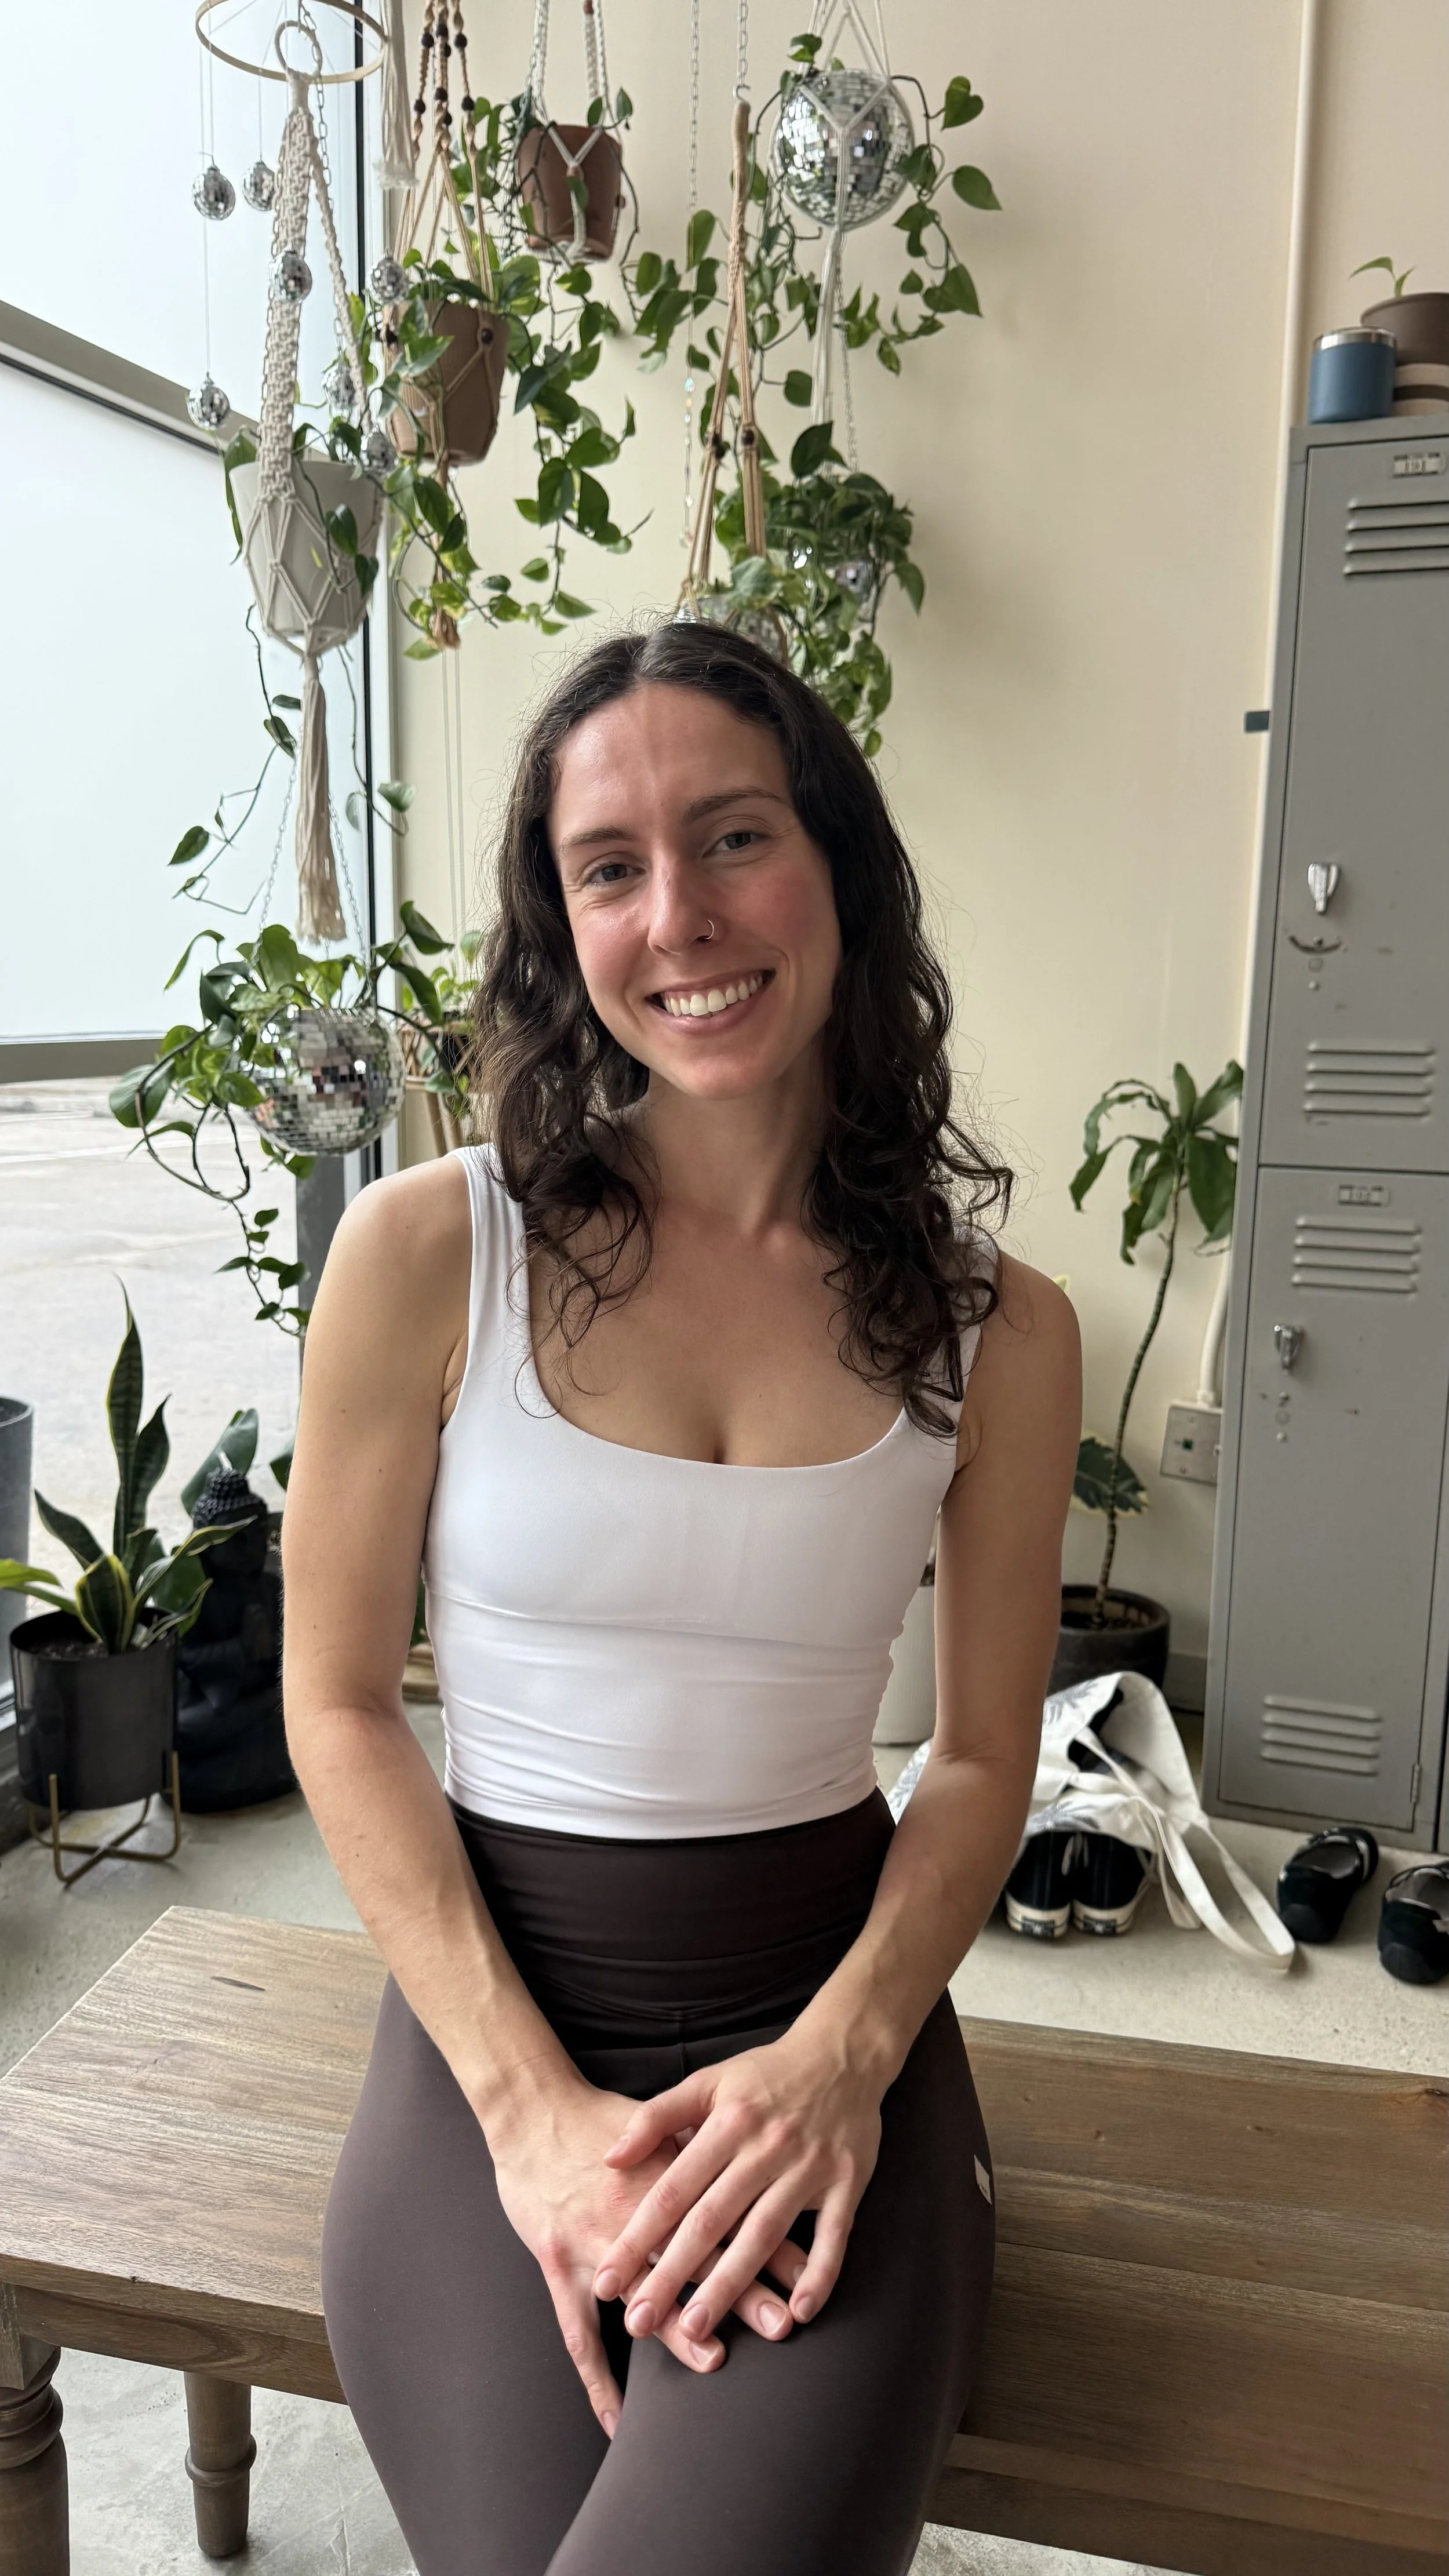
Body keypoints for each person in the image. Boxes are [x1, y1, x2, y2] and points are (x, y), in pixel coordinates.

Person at [285, 623, 1079, 2576]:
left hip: (820, 2032)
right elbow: (337, 1702)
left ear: (837, 868)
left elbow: (981, 1755)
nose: (680, 916)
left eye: (732, 838)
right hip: (495, 2029)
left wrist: (841, 2063)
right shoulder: (425, 1251)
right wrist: (529, 2112)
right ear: (562, 928)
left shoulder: (1004, 1325)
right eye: (611, 866)